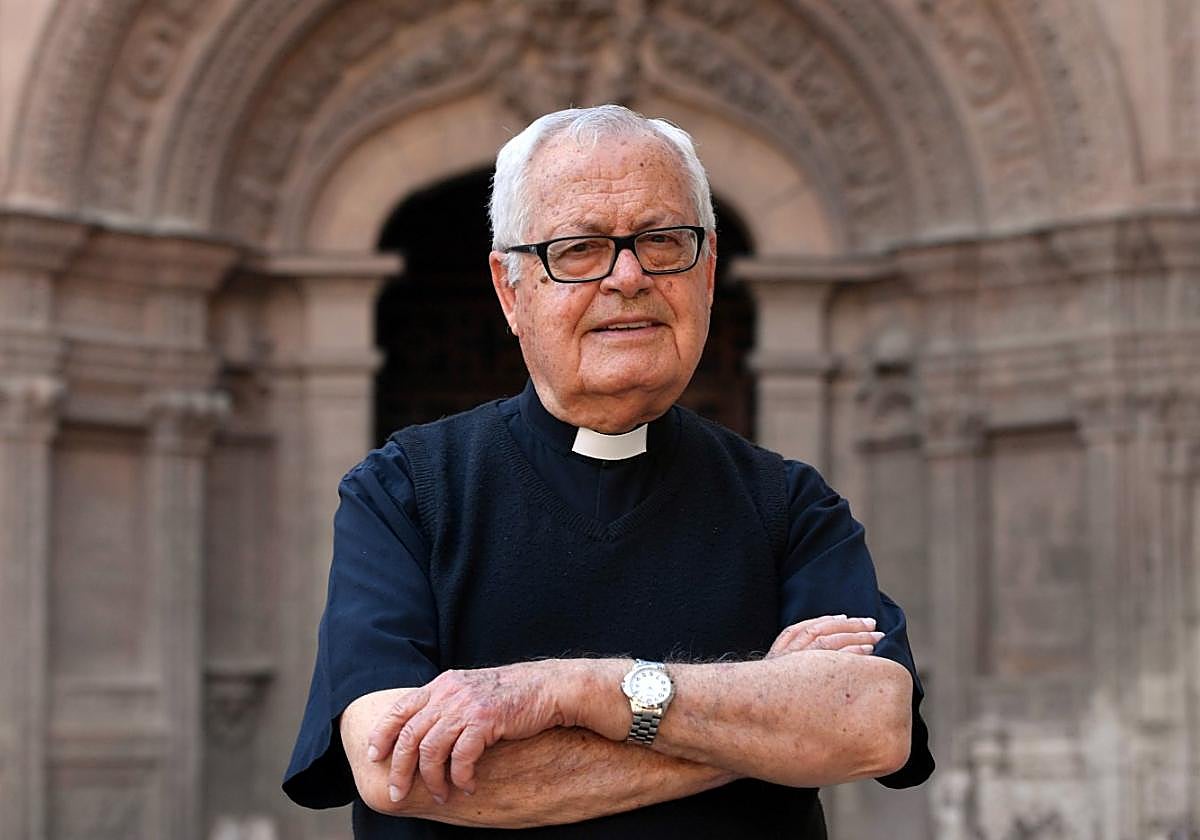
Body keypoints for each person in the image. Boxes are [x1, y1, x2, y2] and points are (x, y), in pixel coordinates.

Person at [283, 104, 934, 838]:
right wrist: (763, 730)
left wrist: (574, 690)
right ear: (510, 289)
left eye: (662, 241)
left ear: (708, 271)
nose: (629, 276)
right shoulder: (404, 494)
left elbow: (874, 724)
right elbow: (397, 768)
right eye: (581, 249)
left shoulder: (790, 506)